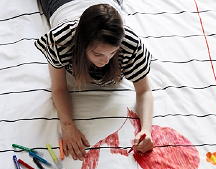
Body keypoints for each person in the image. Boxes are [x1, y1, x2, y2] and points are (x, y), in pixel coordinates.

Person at [35, 0, 154, 160]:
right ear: (82, 44)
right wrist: (68, 126)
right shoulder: (61, 42)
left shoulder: (130, 46)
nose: (105, 60)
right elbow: (59, 88)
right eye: (98, 54)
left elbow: (144, 90)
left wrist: (146, 129)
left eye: (112, 53)